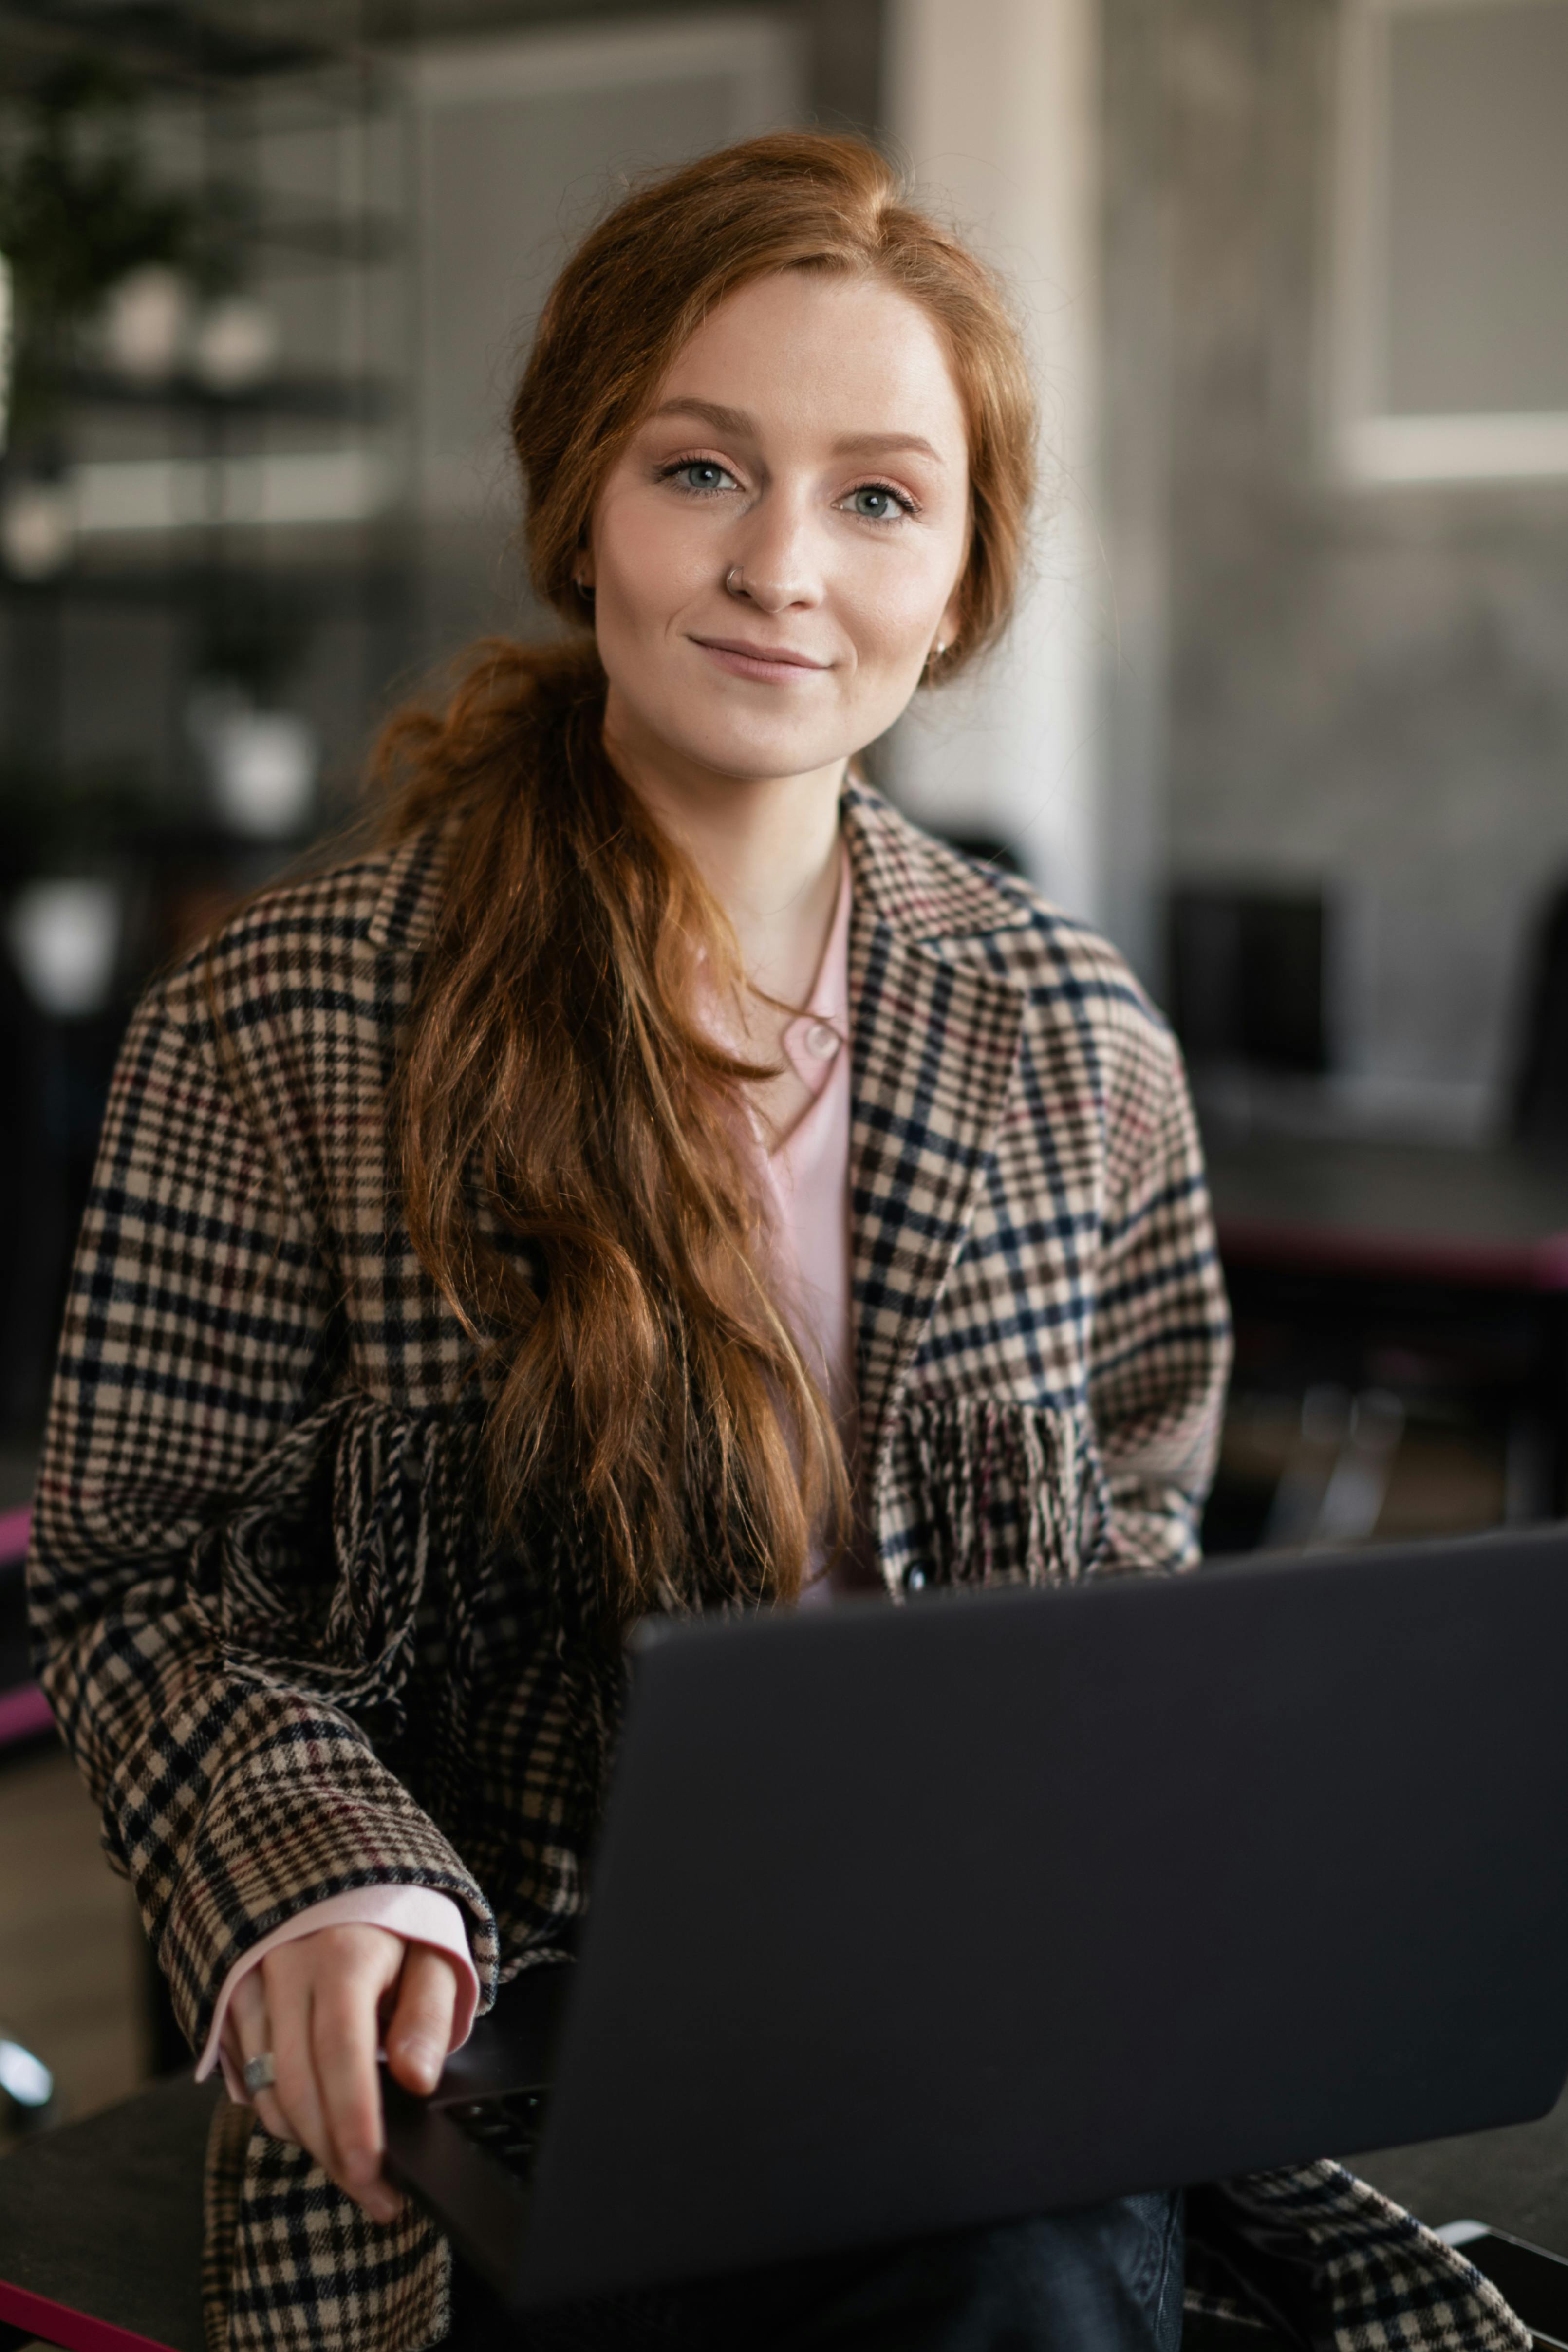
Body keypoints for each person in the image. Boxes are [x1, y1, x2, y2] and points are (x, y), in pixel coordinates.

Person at [27, 134, 1527, 2352]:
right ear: (582, 507)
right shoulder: (282, 1019)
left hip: (981, 2028)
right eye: (701, 470)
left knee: (1028, 2264)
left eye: (878, 498)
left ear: (960, 578)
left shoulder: (1070, 1033)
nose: (780, 570)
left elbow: (1130, 1527)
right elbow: (147, 1576)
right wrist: (323, 1871)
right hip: (496, 2059)